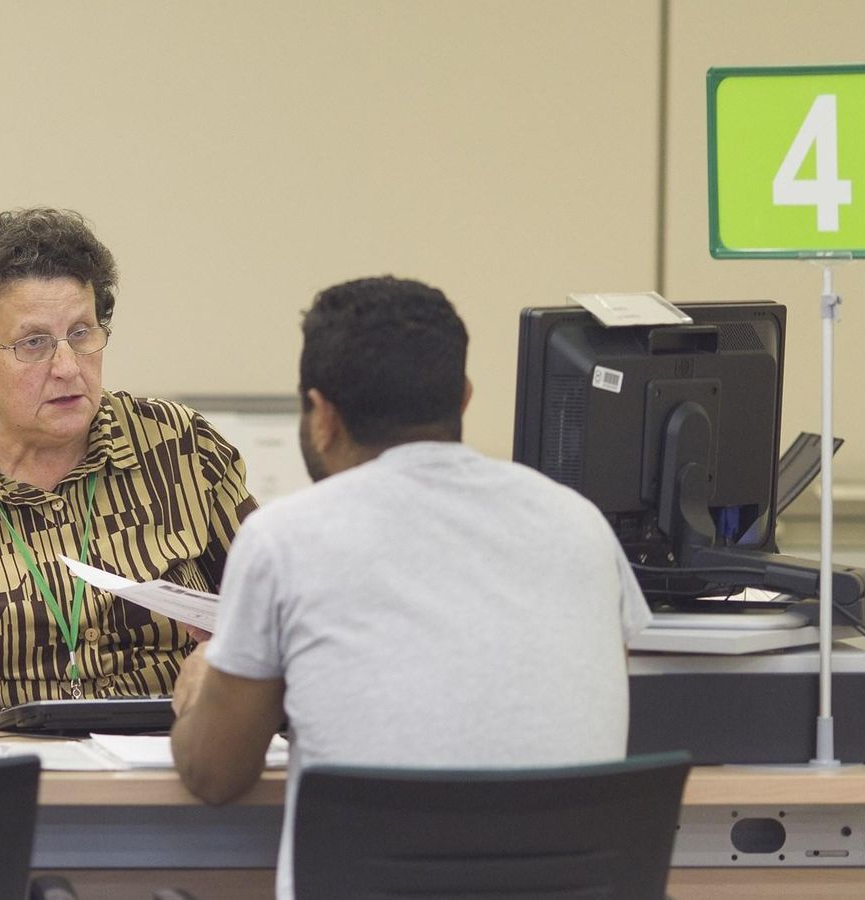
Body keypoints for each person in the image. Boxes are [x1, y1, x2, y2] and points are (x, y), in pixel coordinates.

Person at [169, 276, 652, 900]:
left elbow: (215, 775)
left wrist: (205, 684)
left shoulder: (285, 539)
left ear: (323, 415)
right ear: (466, 396)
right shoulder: (580, 525)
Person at [0, 208, 257, 713]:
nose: (66, 367)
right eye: (33, 343)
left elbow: (277, 622)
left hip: (169, 759)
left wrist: (233, 656)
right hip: (2, 767)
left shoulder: (182, 448)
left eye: (81, 333)